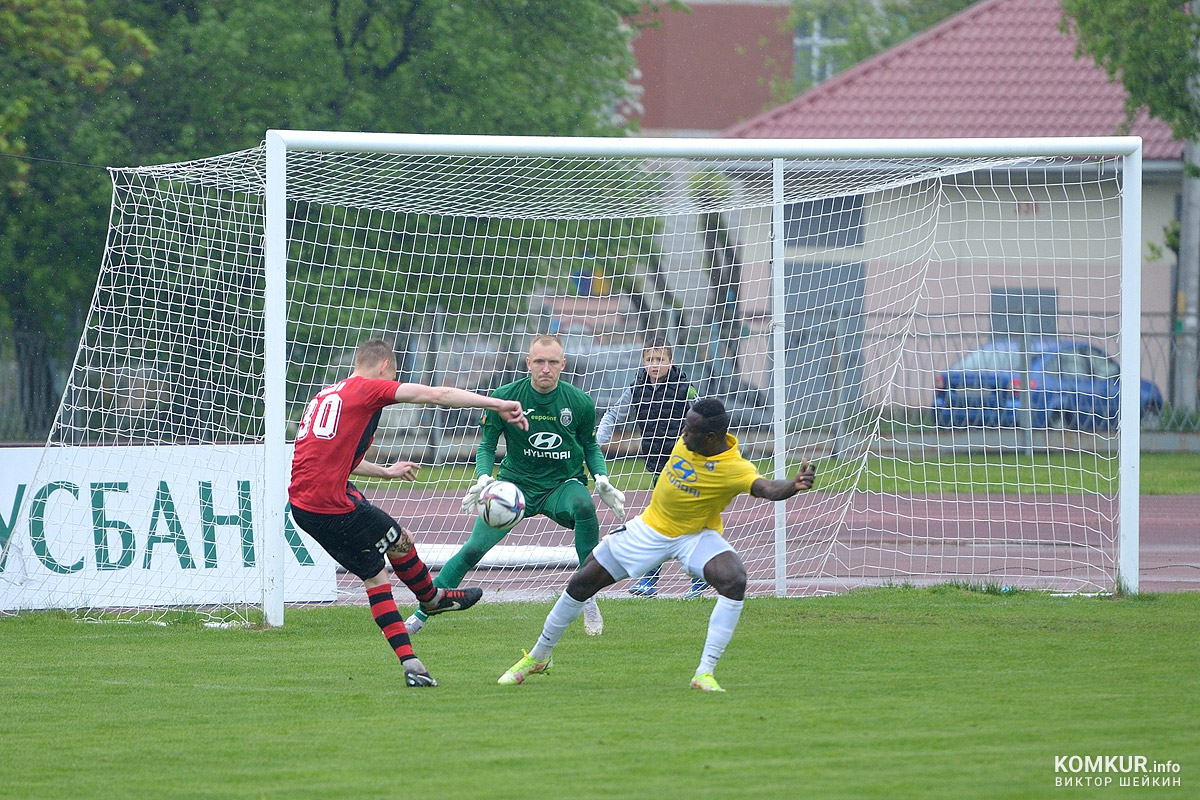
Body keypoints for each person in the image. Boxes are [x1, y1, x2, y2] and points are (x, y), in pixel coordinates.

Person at [498, 397, 815, 693]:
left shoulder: (734, 468)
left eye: (690, 430)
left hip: (695, 536)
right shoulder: (690, 439)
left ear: (711, 437)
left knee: (734, 579)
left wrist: (793, 485)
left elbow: (766, 487)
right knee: (583, 582)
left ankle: (704, 673)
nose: (683, 433)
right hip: (649, 529)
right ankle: (539, 656)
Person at [288, 338, 528, 688]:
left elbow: (336, 457)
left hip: (305, 506)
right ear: (385, 367)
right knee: (400, 541)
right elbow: (438, 395)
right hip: (331, 504)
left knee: (376, 576)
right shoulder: (368, 389)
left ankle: (412, 665)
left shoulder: (326, 395)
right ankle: (431, 599)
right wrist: (498, 405)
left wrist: (385, 472)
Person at [406, 334, 625, 636]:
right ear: (528, 363)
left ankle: (587, 598)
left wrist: (601, 476)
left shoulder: (580, 402)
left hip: (561, 485)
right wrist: (484, 478)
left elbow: (589, 444)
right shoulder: (506, 396)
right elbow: (486, 445)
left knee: (584, 505)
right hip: (515, 488)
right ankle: (419, 615)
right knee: (472, 550)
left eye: (552, 362)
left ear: (563, 364)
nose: (545, 368)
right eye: (539, 362)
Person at [596, 337, 704, 598]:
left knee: (669, 522)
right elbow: (613, 414)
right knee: (665, 522)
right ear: (643, 362)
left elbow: (704, 415)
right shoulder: (636, 389)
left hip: (684, 465)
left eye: (660, 359)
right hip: (656, 465)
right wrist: (597, 442)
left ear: (671, 361)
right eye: (650, 360)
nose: (655, 365)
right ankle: (670, 580)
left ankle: (676, 579)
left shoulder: (685, 388)